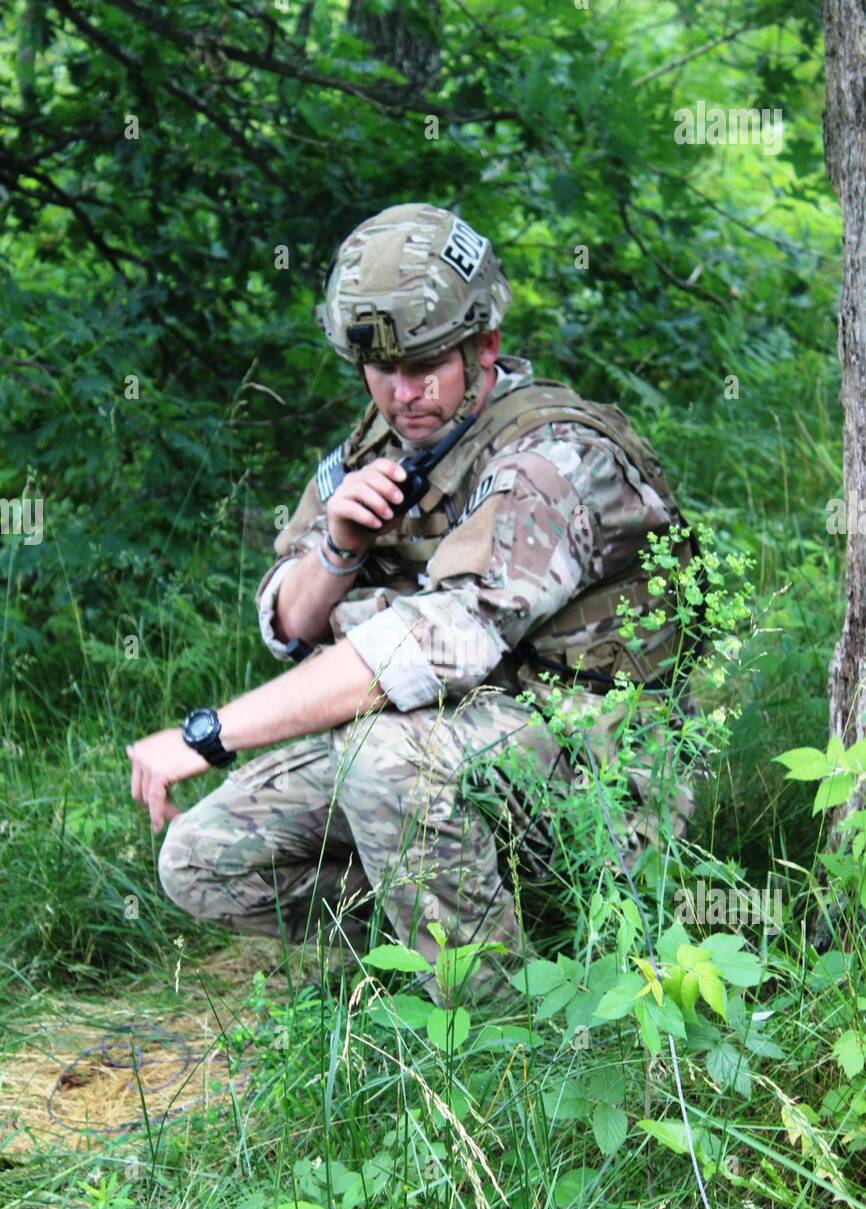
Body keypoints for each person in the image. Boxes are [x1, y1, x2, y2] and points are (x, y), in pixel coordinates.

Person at [126, 202, 695, 1004]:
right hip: (459, 736)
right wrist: (339, 546)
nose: (403, 393)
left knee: (383, 760)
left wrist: (211, 735)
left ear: (483, 345)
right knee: (203, 856)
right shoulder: (379, 444)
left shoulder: (547, 460)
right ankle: (442, 944)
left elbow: (420, 654)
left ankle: (495, 1030)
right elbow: (290, 625)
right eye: (383, 371)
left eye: (426, 365)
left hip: (599, 761)